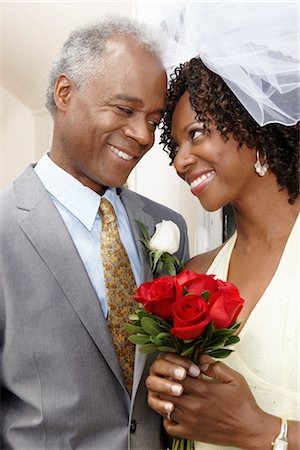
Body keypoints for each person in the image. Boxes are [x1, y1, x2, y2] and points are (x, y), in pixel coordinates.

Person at [0, 16, 190, 450]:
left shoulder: (166, 228)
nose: (143, 135)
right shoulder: (4, 226)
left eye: (154, 119)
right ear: (64, 93)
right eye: (124, 109)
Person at [146, 3, 299, 450]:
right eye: (174, 146)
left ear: (250, 124)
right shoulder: (196, 276)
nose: (179, 160)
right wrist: (171, 394)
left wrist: (266, 432)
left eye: (195, 134)